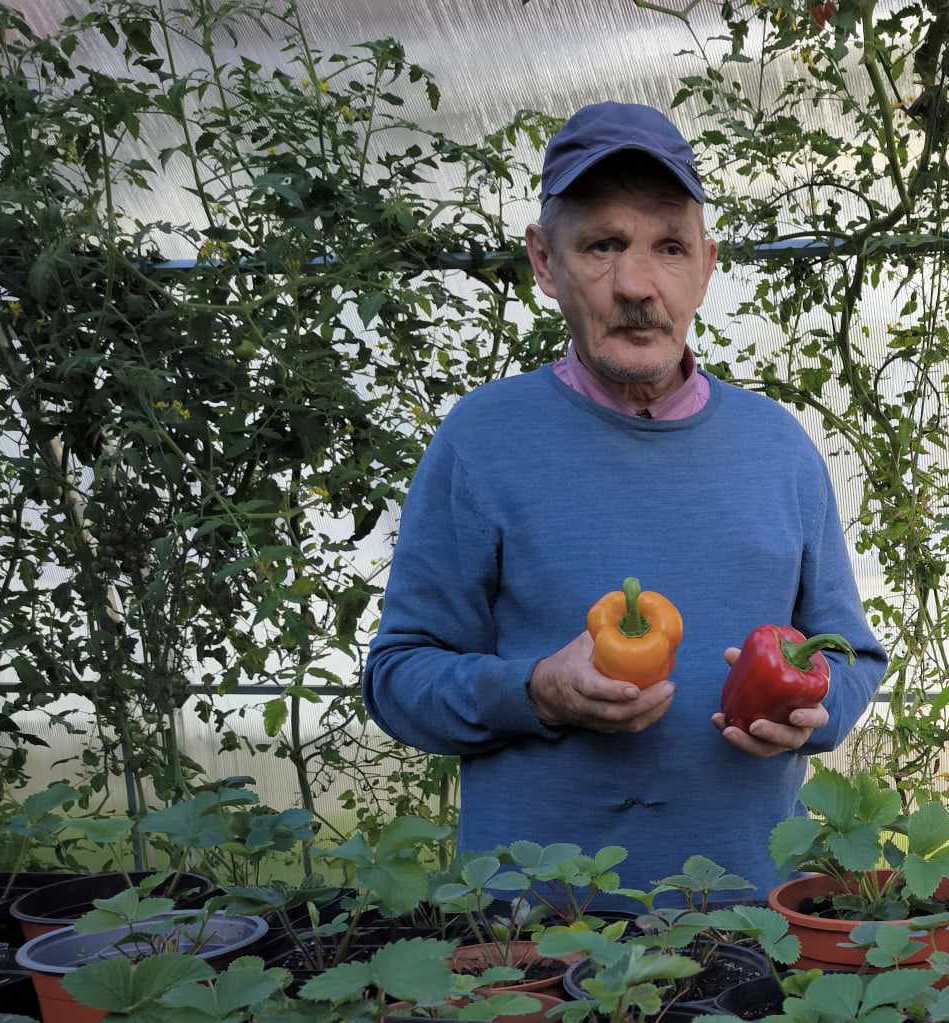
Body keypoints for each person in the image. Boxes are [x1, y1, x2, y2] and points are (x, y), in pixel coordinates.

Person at [363, 102, 886, 900]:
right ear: (545, 262)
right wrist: (535, 691)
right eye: (603, 245)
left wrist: (820, 714)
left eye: (668, 247)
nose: (638, 285)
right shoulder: (483, 441)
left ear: (706, 266)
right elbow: (399, 677)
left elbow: (851, 654)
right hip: (530, 924)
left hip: (747, 912)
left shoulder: (777, 448)